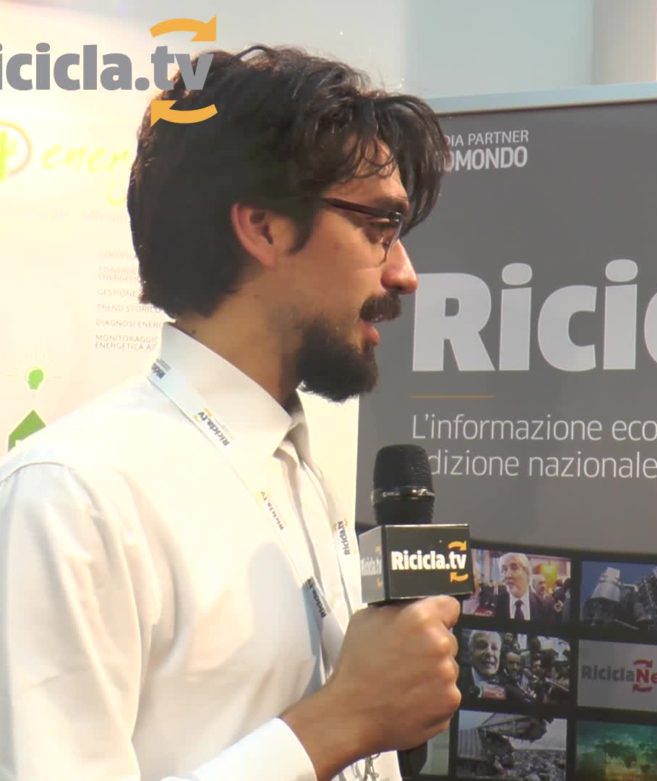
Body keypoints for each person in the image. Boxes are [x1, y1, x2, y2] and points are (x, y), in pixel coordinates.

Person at [0, 46, 461, 780]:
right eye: (378, 227)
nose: (405, 274)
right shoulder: (73, 495)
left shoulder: (299, 471)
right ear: (264, 227)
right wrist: (342, 720)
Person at [492, 552, 558, 622]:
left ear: (527, 573)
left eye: (514, 568)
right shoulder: (497, 603)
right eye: (504, 569)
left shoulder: (545, 606)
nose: (507, 575)